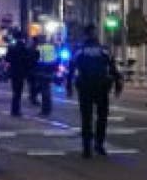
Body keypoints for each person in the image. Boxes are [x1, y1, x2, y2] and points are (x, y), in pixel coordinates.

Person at [67, 25, 123, 158]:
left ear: (85, 35)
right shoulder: (104, 50)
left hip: (85, 87)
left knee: (86, 118)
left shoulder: (79, 50)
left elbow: (71, 69)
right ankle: (99, 144)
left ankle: (87, 148)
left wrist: (69, 86)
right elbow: (113, 69)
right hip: (102, 87)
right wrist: (117, 85)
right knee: (102, 117)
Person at [5, 31, 30, 118]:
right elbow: (27, 60)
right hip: (21, 72)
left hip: (14, 71)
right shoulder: (24, 47)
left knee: (15, 91)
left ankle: (14, 109)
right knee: (18, 92)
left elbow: (7, 58)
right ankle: (16, 109)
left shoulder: (12, 47)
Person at [35, 36, 58, 115]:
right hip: (50, 70)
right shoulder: (52, 47)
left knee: (44, 90)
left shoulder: (39, 48)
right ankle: (48, 108)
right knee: (47, 89)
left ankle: (45, 109)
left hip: (43, 70)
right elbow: (56, 58)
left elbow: (38, 60)